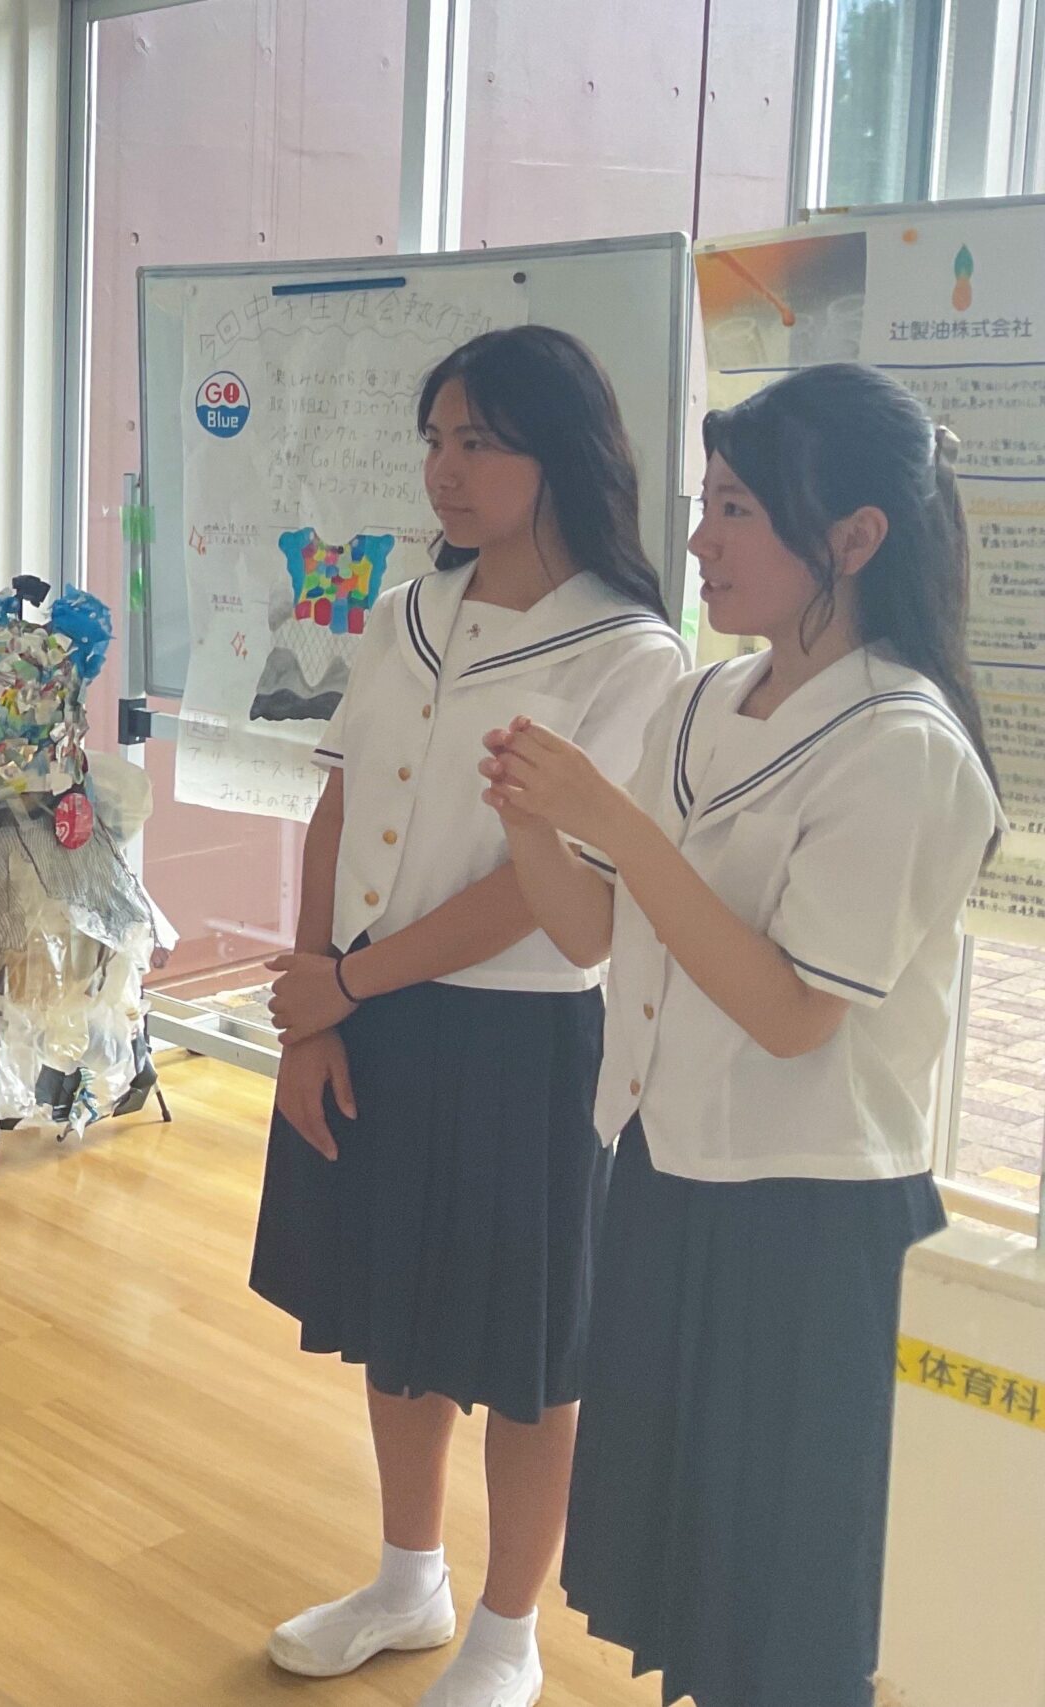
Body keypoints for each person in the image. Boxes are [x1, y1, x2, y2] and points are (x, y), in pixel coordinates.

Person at [482, 362, 1001, 1707]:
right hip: (669, 1174)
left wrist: (612, 819)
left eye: (737, 510)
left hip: (811, 1217)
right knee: (694, 1566)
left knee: (787, 1599)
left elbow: (788, 1013)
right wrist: (533, 822)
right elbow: (598, 932)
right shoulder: (708, 701)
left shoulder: (903, 744)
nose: (701, 539)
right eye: (704, 502)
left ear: (855, 538)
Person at [249, 326, 688, 1707]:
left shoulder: (632, 653)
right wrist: (314, 1000)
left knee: (528, 1353)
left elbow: (541, 898)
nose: (444, 468)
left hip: (522, 1035)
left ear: (560, 453)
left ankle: (508, 1628)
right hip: (366, 1010)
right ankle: (407, 1577)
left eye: (478, 441)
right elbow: (336, 801)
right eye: (435, 438)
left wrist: (349, 982)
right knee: (396, 1313)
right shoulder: (402, 610)